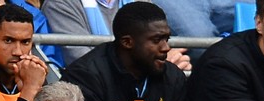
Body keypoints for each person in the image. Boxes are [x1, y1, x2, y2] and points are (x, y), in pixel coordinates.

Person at [61, 1, 191, 101]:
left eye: (166, 39)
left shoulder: (173, 78)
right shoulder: (86, 77)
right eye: (156, 40)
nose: (166, 48)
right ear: (127, 42)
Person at [41, 0, 191, 69]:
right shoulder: (60, 3)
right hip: (94, 95)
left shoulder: (141, 1)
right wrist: (159, 65)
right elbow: (84, 62)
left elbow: (158, 42)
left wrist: (166, 64)